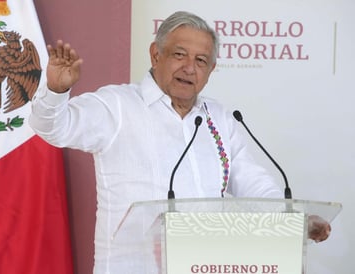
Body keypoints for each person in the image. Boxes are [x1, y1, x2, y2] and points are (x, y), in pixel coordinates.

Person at [29, 11, 330, 274]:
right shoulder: (118, 106)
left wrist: (293, 222)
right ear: (155, 54)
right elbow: (54, 127)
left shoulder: (221, 119)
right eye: (179, 55)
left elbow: (254, 184)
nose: (190, 67)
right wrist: (56, 91)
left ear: (210, 71)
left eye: (201, 61)